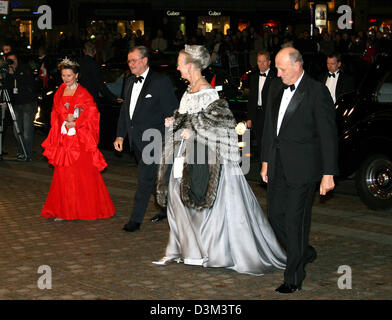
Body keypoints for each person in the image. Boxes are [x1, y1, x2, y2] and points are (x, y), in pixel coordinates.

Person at [153, 45, 286, 276]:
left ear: (191, 66)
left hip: (205, 157)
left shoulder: (208, 93)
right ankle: (188, 250)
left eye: (179, 63)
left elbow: (222, 127)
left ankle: (209, 251)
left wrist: (193, 132)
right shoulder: (188, 90)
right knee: (177, 197)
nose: (177, 67)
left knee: (202, 202)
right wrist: (173, 121)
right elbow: (187, 118)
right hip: (185, 153)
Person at [261, 47, 339, 293]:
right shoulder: (275, 86)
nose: (277, 72)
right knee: (275, 217)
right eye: (276, 67)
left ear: (297, 66)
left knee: (295, 221)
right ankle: (303, 251)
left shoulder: (317, 92)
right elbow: (268, 127)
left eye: (282, 68)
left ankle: (293, 276)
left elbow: (328, 136)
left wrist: (328, 173)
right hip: (277, 165)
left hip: (303, 169)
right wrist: (265, 161)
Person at [41, 58, 115, 221]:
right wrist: (62, 123)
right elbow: (55, 111)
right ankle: (63, 210)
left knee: (81, 174)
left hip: (79, 139)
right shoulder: (60, 90)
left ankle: (85, 208)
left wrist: (76, 122)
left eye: (69, 75)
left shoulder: (83, 93)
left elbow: (92, 114)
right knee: (63, 174)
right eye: (63, 75)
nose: (65, 79)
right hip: (64, 137)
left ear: (76, 75)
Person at [113, 46, 178, 232]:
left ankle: (135, 220)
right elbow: (126, 111)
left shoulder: (160, 81)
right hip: (137, 141)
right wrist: (120, 135)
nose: (131, 64)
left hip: (155, 140)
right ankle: (168, 209)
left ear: (144, 60)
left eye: (134, 60)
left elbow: (172, 111)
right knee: (157, 180)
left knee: (144, 180)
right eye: (129, 61)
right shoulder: (130, 81)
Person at [4, 52, 37, 162]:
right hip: (17, 104)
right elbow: (8, 87)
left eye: (14, 60)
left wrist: (14, 74)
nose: (12, 63)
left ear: (17, 59)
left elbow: (27, 82)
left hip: (28, 103)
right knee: (16, 131)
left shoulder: (25, 68)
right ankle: (22, 151)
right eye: (10, 60)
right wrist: (9, 75)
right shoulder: (9, 72)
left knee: (27, 132)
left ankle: (28, 154)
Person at [246, 50, 277, 160]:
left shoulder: (276, 77)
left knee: (270, 140)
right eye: (259, 61)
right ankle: (263, 163)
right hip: (257, 114)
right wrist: (249, 117)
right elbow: (251, 99)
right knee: (259, 140)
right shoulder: (254, 77)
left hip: (270, 115)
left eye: (264, 61)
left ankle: (271, 163)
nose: (261, 64)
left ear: (269, 62)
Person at [78, 41, 123, 108]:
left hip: (79, 98)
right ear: (95, 52)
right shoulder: (95, 65)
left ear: (84, 51)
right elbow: (100, 85)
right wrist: (113, 98)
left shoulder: (78, 64)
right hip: (91, 99)